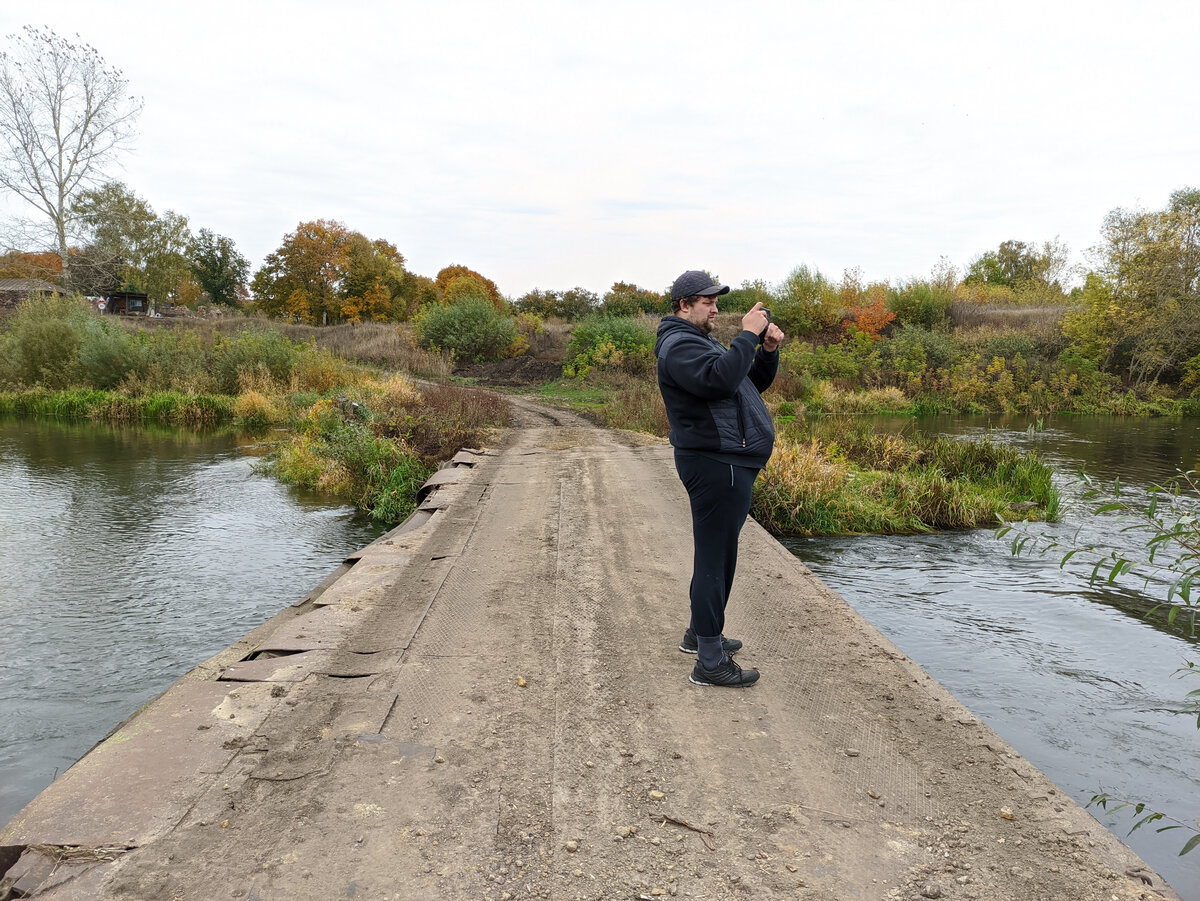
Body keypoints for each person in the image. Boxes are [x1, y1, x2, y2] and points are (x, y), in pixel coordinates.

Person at [655, 270, 785, 687]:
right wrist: (745, 336)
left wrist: (764, 350)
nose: (716, 309)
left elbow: (744, 385)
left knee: (718, 555)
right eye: (708, 302)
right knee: (715, 559)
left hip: (727, 461)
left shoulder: (699, 340)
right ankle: (709, 662)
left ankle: (700, 636)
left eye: (717, 302)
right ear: (684, 305)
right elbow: (717, 381)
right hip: (716, 463)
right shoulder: (679, 345)